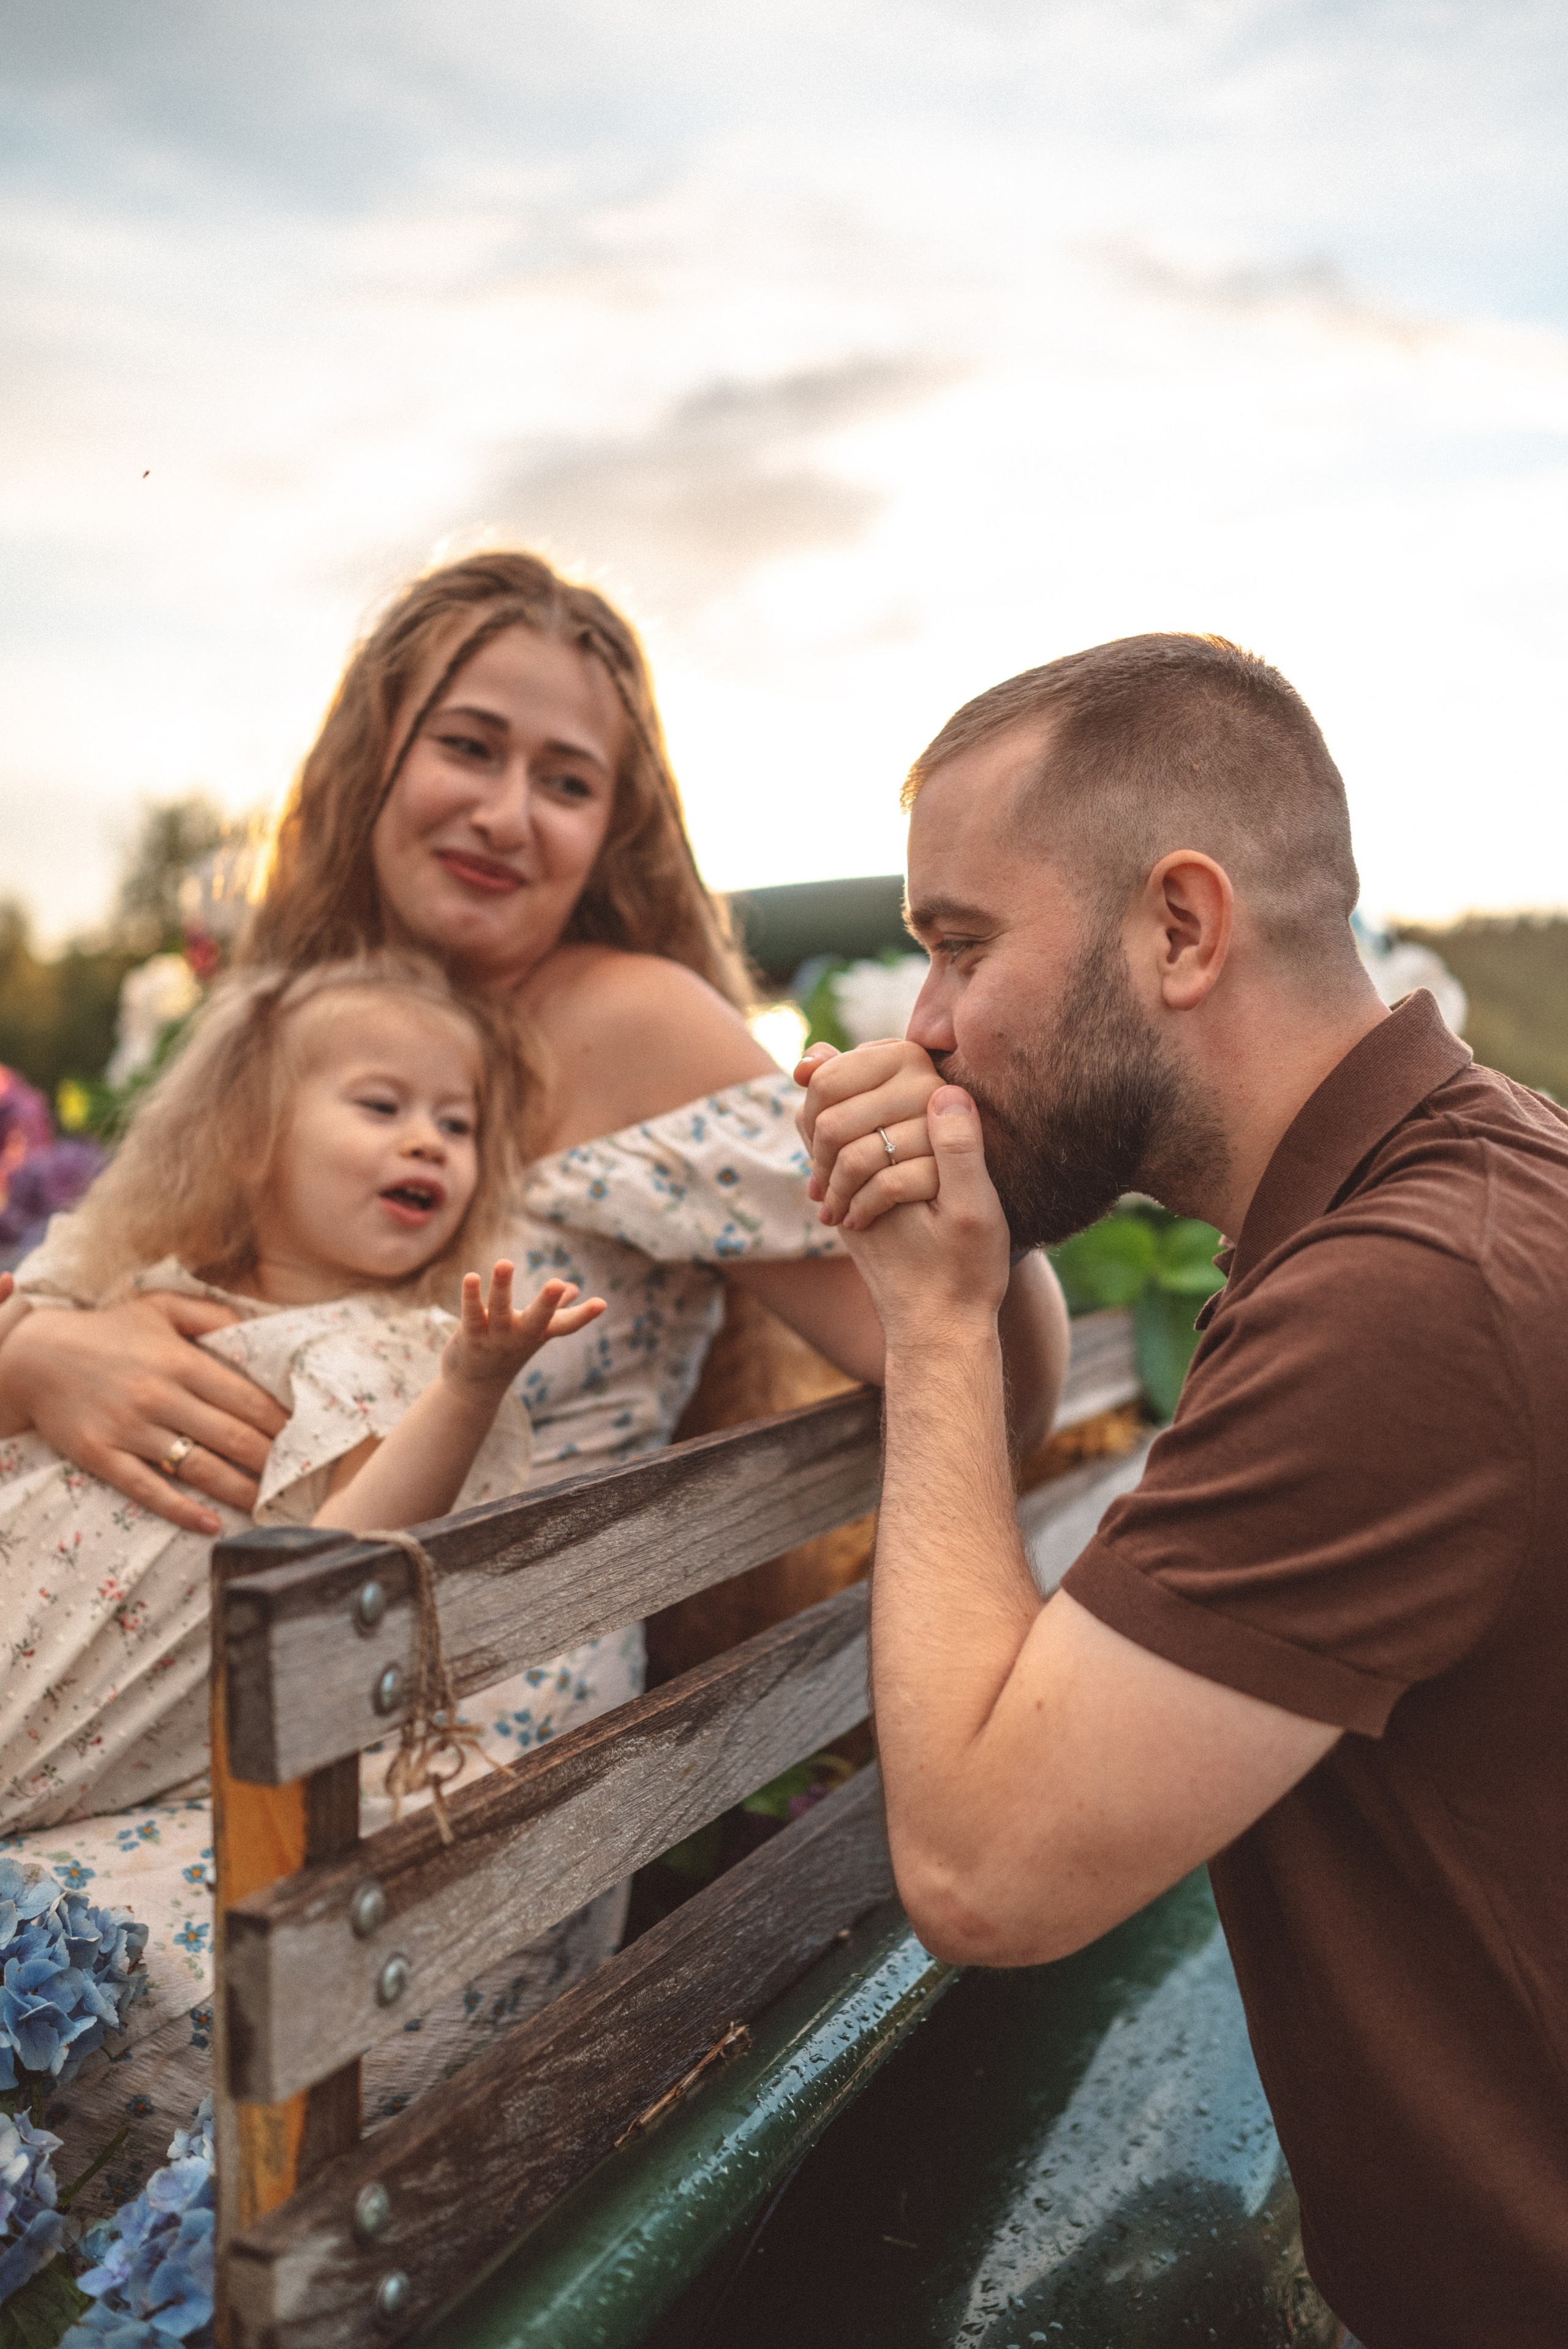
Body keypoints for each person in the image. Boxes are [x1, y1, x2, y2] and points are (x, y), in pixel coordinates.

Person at [0, 548, 1065, 2177]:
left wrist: (995, 1198)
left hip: (443, 1769)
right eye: (470, 746)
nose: (508, 809)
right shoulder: (309, 1015)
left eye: (568, 781)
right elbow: (88, 1269)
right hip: (169, 1689)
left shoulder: (626, 1023)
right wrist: (42, 1355)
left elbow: (965, 1369)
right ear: (377, 757)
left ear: (610, 834)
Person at [797, 633, 1568, 2349]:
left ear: (1180, 928)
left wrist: (926, 1321)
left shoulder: (1407, 1298)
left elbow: (992, 1866)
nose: (919, 1025)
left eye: (960, 944)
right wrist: (977, 1270)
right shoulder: (1450, 1179)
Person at [0, 950, 604, 2204]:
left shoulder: (404, 1353)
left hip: (100, 1703)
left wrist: (471, 1386)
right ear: (244, 1137)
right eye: (381, 1106)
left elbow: (345, 1570)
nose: (429, 1143)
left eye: (458, 1123)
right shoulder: (139, 1296)